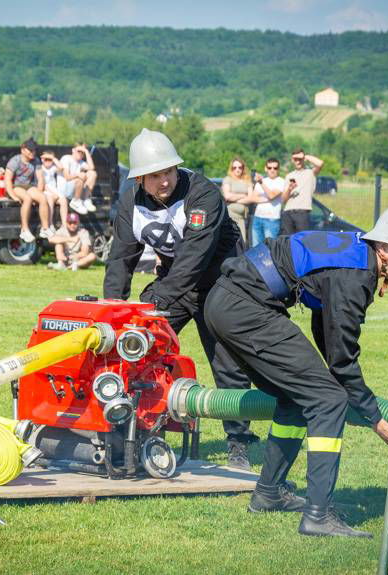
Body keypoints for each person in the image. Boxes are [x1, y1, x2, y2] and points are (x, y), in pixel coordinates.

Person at [204, 200, 388, 538]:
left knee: (299, 398)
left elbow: (324, 325)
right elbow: (342, 357)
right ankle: (318, 515)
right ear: (385, 247)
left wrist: (329, 373)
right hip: (244, 307)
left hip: (227, 302)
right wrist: (376, 419)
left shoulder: (355, 252)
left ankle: (268, 493)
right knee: (328, 399)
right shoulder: (357, 275)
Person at [103, 128, 259, 469]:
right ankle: (128, 430)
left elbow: (193, 259)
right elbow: (121, 257)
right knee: (134, 348)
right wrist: (113, 310)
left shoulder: (203, 193)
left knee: (226, 363)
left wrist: (156, 303)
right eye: (155, 175)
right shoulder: (130, 201)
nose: (164, 181)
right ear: (140, 178)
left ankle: (239, 443)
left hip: (219, 284)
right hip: (175, 282)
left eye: (169, 171)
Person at [5, 137, 55, 244]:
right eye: (30, 150)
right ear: (23, 149)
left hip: (29, 186)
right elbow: (7, 180)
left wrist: (39, 193)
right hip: (16, 186)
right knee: (27, 199)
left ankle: (45, 229)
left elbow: (40, 179)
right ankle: (24, 230)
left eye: (34, 150)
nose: (33, 152)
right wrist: (13, 196)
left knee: (42, 198)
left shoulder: (36, 161)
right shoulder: (15, 161)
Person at [281, 149, 323, 234]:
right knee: (288, 241)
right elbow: (283, 199)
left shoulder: (310, 173)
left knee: (301, 240)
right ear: (292, 160)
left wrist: (305, 156)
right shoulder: (289, 175)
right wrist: (289, 189)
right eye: (295, 159)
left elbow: (320, 163)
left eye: (300, 159)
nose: (298, 161)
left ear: (303, 159)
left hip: (302, 212)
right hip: (288, 212)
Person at [221, 157, 256, 247]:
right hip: (230, 216)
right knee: (232, 243)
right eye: (234, 167)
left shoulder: (247, 180)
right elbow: (227, 196)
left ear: (243, 168)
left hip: (243, 218)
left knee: (243, 242)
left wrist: (234, 197)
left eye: (240, 167)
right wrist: (243, 195)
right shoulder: (228, 179)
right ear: (231, 169)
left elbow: (251, 198)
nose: (237, 170)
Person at [250, 158, 284, 247]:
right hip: (257, 217)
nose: (272, 170)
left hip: (272, 219)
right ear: (266, 168)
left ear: (278, 169)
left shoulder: (281, 181)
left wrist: (261, 183)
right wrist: (267, 200)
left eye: (275, 168)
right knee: (255, 248)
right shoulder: (261, 181)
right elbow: (253, 198)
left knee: (269, 249)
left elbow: (271, 195)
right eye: (270, 168)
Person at [61, 143, 98, 215]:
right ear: (73, 150)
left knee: (93, 173)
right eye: (79, 151)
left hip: (75, 188)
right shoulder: (66, 158)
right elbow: (67, 177)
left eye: (82, 152)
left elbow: (92, 167)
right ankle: (76, 201)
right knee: (80, 178)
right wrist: (78, 175)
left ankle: (86, 199)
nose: (81, 153)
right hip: (65, 190)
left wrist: (86, 152)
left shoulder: (81, 163)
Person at [39, 150, 69, 227]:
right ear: (42, 160)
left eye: (50, 160)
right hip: (45, 191)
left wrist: (53, 158)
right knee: (50, 199)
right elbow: (43, 185)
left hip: (54, 191)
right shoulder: (40, 168)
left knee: (64, 201)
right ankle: (50, 223)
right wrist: (53, 193)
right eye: (46, 159)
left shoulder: (53, 168)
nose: (48, 161)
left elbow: (61, 167)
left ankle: (65, 224)